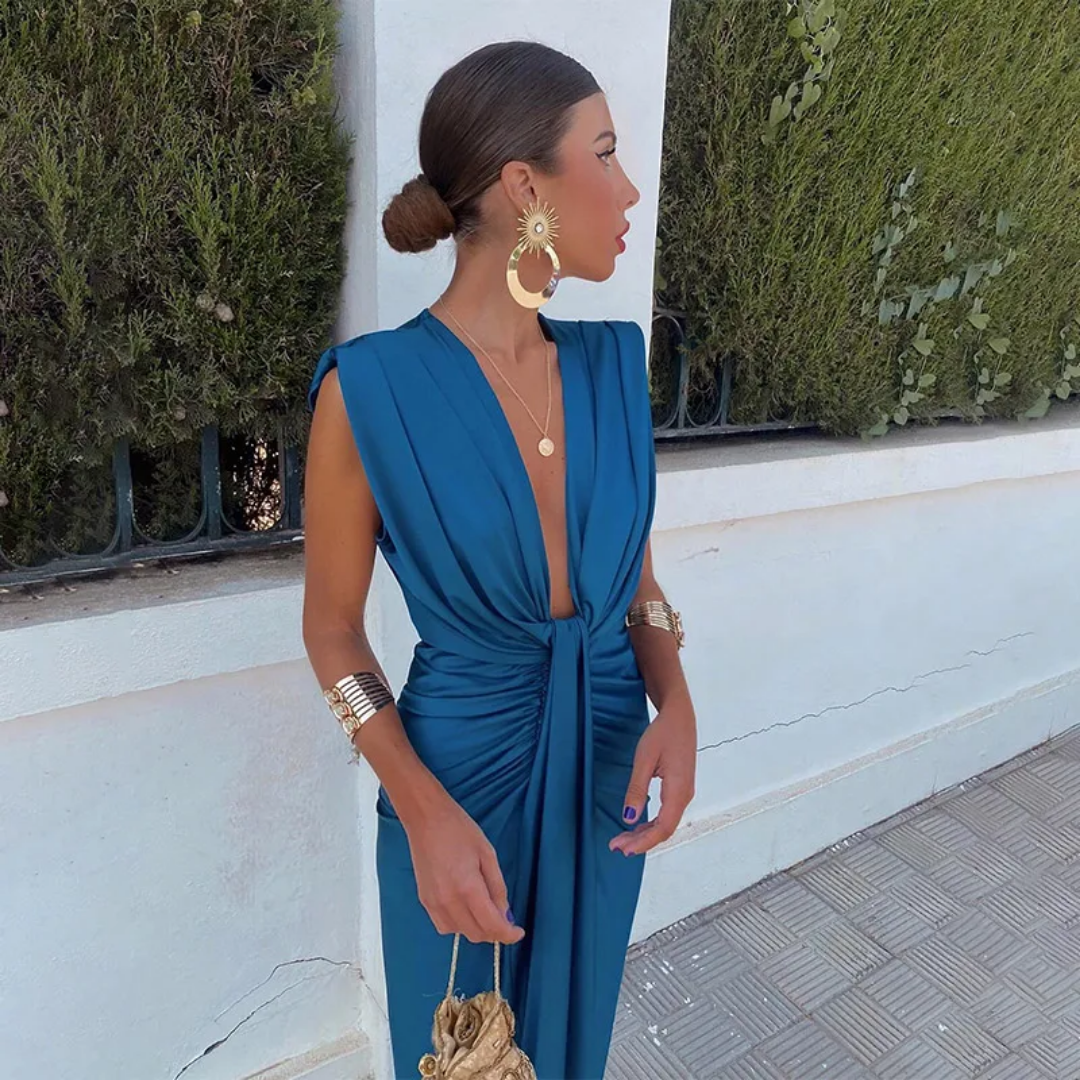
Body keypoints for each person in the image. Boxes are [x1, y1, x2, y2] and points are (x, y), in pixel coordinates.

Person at [302, 41, 697, 1080]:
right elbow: (331, 631)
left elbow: (634, 582)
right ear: (526, 186)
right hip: (456, 784)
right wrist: (419, 807)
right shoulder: (369, 391)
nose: (629, 187)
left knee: (572, 1042)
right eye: (604, 153)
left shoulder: (612, 369)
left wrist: (676, 702)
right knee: (465, 1055)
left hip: (604, 763)